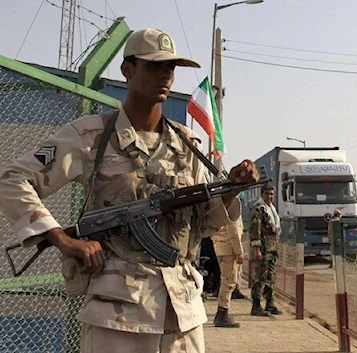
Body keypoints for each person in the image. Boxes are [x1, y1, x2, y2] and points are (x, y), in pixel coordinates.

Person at [0, 28, 259, 353]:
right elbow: (13, 179)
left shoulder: (187, 145)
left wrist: (232, 190)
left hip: (182, 312)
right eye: (154, 65)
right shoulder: (90, 137)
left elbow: (201, 224)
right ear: (127, 69)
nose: (165, 74)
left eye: (171, 67)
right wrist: (64, 240)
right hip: (117, 314)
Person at [248, 184, 282, 316]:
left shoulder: (271, 209)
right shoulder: (258, 210)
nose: (270, 197)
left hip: (272, 249)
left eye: (272, 194)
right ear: (262, 194)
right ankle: (256, 305)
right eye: (267, 194)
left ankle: (269, 303)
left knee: (270, 276)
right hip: (263, 249)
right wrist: (256, 250)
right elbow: (254, 231)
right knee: (260, 277)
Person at [212, 218, 245, 327]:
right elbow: (233, 231)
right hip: (228, 248)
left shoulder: (223, 207)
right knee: (229, 281)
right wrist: (239, 252)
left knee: (227, 280)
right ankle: (222, 314)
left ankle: (222, 313)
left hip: (223, 246)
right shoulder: (232, 207)